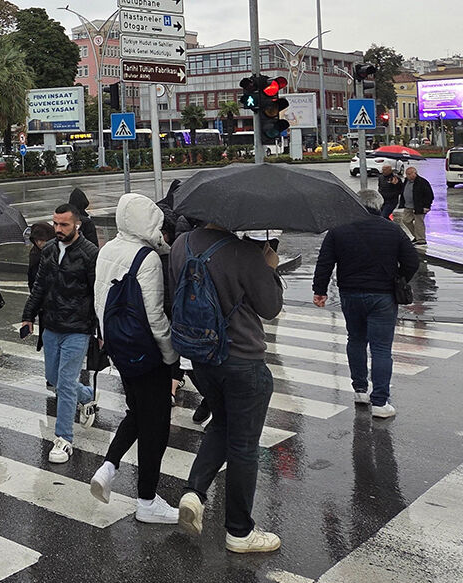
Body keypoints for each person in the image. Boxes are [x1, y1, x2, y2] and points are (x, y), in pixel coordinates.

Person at [169, 222, 284, 554]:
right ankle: (239, 531)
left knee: (220, 423)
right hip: (242, 360)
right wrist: (269, 268)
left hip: (200, 357)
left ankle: (194, 492)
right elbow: (270, 307)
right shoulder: (245, 252)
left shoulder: (181, 245)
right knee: (245, 447)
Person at [88, 194, 181, 524]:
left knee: (138, 412)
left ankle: (108, 467)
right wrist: (171, 358)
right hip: (147, 354)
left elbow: (99, 301)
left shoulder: (107, 251)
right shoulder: (148, 259)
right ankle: (146, 501)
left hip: (119, 349)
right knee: (156, 426)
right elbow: (155, 316)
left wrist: (107, 341)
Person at [313, 189, 419, 418]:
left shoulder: (338, 230)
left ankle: (360, 390)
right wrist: (399, 278)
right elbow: (412, 261)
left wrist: (319, 291)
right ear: (379, 206)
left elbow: (324, 262)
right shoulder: (393, 229)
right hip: (382, 296)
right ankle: (380, 402)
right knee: (381, 348)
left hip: (350, 294)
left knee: (356, 340)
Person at [21, 203, 98, 463]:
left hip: (77, 328)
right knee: (54, 379)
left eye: (64, 224)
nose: (58, 229)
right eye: (55, 224)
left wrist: (99, 329)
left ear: (76, 224)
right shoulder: (50, 249)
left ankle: (64, 439)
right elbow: (40, 285)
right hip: (52, 325)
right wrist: (28, 315)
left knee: (65, 383)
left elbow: (97, 293)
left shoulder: (90, 253)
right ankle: (86, 396)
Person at [397, 165, 433, 245]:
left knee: (418, 223)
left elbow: (429, 195)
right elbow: (402, 191)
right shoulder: (406, 181)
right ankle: (416, 236)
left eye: (410, 174)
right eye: (407, 174)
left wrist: (427, 206)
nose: (408, 176)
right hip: (408, 206)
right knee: (406, 221)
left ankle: (421, 239)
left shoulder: (422, 182)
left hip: (419, 206)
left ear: (415, 173)